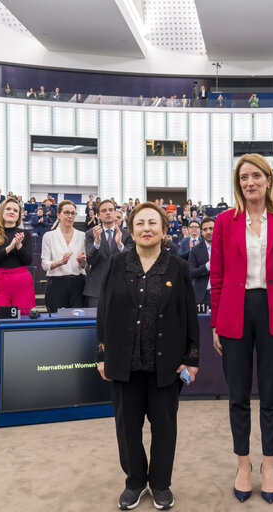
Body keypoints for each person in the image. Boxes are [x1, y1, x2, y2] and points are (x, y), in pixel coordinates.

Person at [211, 153, 273, 504]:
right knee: (237, 395)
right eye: (243, 177)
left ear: (268, 179)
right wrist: (217, 322)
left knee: (270, 395)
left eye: (256, 176)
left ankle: (268, 465)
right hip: (234, 312)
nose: (249, 182)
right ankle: (243, 465)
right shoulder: (224, 221)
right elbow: (217, 276)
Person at [96, 202, 199, 511]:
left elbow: (189, 317)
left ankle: (160, 483)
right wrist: (101, 354)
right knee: (126, 428)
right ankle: (135, 481)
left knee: (165, 427)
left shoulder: (178, 267)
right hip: (124, 363)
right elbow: (104, 312)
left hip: (165, 365)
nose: (146, 228)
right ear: (131, 229)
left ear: (164, 230)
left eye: (153, 223)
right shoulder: (116, 264)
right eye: (140, 223)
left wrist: (192, 359)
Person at [0, 198, 35, 314]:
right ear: (1, 212)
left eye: (15, 211)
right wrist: (9, 248)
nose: (12, 212)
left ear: (18, 216)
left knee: (23, 318)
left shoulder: (25, 234)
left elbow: (28, 260)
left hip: (22, 283)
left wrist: (19, 246)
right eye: (8, 209)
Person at [84, 200, 134, 307]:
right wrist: (96, 243)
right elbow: (90, 260)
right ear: (98, 215)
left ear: (115, 214)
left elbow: (131, 259)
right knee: (95, 323)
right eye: (104, 211)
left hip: (122, 287)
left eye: (111, 210)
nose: (108, 213)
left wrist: (120, 245)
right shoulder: (91, 234)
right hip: (96, 289)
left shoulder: (126, 234)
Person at [41, 201, 87, 312]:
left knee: (78, 319)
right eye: (66, 212)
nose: (70, 216)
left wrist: (82, 263)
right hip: (57, 284)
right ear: (58, 215)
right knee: (57, 319)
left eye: (73, 213)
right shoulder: (49, 236)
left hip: (78, 283)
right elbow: (44, 265)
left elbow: (85, 266)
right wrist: (59, 262)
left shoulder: (82, 235)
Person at [188, 217, 214, 307]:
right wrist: (207, 266)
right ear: (201, 232)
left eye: (211, 228)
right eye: (205, 229)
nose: (208, 232)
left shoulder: (225, 248)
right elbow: (191, 272)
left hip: (223, 294)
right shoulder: (195, 250)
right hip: (202, 295)